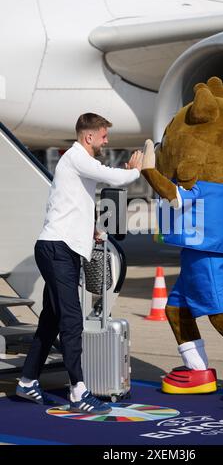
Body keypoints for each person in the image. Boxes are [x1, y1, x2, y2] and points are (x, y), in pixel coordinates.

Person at [16, 113, 143, 414]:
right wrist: (136, 171)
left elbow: (71, 204)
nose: (106, 141)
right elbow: (112, 176)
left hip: (62, 249)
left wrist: (92, 230)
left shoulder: (76, 166)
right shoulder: (77, 157)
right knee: (71, 323)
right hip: (57, 250)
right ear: (88, 137)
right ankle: (79, 392)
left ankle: (27, 381)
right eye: (103, 136)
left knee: (51, 319)